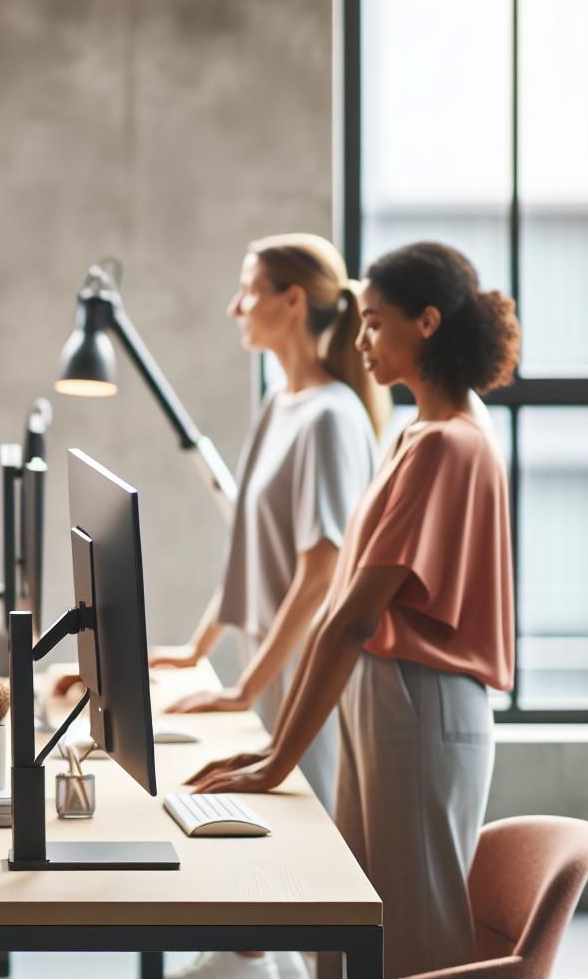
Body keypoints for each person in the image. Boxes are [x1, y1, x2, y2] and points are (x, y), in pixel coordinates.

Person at [188, 241, 520, 979]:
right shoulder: (419, 433)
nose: (360, 339)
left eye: (375, 323)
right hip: (390, 694)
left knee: (413, 937)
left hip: (420, 698)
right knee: (352, 919)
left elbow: (351, 616)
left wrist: (279, 757)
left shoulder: (446, 445)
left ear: (426, 324)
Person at [152, 236, 386, 979]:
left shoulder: (330, 416)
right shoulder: (279, 405)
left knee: (297, 871)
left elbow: (320, 574)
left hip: (302, 676)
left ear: (292, 300)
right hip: (270, 667)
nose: (234, 308)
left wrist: (248, 687)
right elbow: (252, 553)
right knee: (265, 874)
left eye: (248, 290)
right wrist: (196, 651)